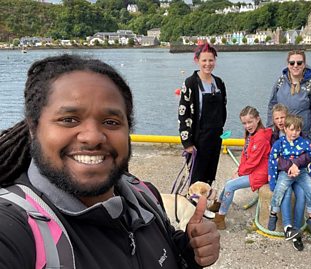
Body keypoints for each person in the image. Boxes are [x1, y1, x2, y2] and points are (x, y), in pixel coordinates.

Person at [0, 54, 220, 268]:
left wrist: (188, 251)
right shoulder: (17, 226)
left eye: (111, 122)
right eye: (69, 119)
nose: (93, 136)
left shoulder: (144, 196)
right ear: (33, 128)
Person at [213, 106, 272, 230]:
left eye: (250, 122)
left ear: (258, 119)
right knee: (230, 181)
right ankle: (218, 203)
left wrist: (240, 173)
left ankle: (220, 218)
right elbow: (246, 155)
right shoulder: (251, 134)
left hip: (261, 173)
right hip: (254, 169)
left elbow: (253, 161)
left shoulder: (260, 137)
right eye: (244, 123)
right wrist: (239, 169)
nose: (247, 125)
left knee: (230, 185)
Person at [178, 42, 227, 186]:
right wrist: (187, 142)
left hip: (215, 137)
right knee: (196, 180)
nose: (208, 64)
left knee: (209, 178)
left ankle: (204, 205)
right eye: (204, 60)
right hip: (198, 139)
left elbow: (223, 108)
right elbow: (183, 113)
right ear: (197, 61)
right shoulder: (190, 83)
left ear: (215, 61)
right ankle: (193, 207)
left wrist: (220, 131)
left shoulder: (219, 83)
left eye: (211, 60)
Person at [268, 115, 311, 240]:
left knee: (310, 190)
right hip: (286, 173)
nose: (294, 133)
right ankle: (273, 213)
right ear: (285, 129)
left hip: (301, 172)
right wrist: (273, 181)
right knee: (279, 191)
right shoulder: (279, 143)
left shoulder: (304, 142)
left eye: (297, 130)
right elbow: (272, 160)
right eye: (291, 129)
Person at [270, 104, 309, 251]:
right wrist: (288, 167)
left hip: (298, 172)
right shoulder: (274, 137)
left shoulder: (299, 134)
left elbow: (307, 155)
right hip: (284, 172)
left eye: (283, 117)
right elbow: (275, 159)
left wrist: (296, 165)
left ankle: (296, 229)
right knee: (285, 193)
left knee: (302, 194)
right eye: (277, 118)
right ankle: (288, 226)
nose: (280, 121)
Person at [267, 50, 311, 145]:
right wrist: (270, 130)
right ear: (288, 65)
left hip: (302, 136)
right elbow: (271, 107)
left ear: (304, 64)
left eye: (299, 62)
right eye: (292, 63)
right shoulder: (280, 82)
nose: (295, 65)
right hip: (281, 136)